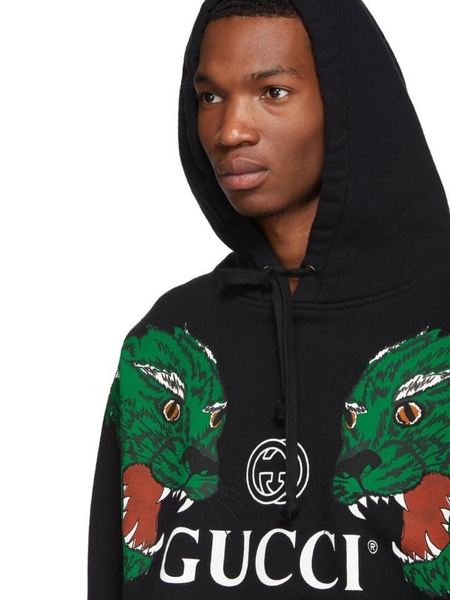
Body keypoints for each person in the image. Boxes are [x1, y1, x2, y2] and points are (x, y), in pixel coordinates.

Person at [88, 0, 450, 598]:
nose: (230, 130)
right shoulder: (168, 340)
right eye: (211, 97)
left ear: (350, 103)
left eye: (272, 92)